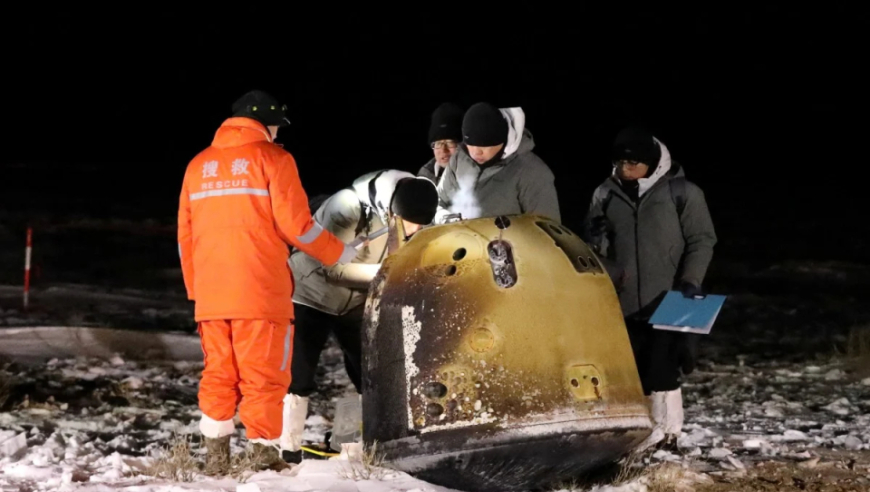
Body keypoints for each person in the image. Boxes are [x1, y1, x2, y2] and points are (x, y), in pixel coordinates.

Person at [177, 89, 357, 475]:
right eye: (277, 126)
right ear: (268, 124)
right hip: (259, 290)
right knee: (264, 374)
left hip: (211, 294)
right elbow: (298, 227)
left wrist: (197, 290)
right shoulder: (274, 159)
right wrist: (338, 252)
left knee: (218, 373)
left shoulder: (198, 165)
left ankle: (216, 459)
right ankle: (262, 456)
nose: (278, 132)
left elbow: (184, 237)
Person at [281, 170, 439, 462]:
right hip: (309, 294)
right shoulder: (347, 206)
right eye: (410, 223)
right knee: (299, 375)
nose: (414, 229)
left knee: (366, 373)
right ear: (393, 208)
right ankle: (287, 448)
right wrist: (389, 274)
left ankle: (348, 443)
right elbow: (333, 268)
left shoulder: (413, 206)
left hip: (355, 300)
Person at [583, 126, 716, 452]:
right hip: (625, 299)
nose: (624, 170)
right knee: (637, 368)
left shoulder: (682, 192)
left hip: (672, 293)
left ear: (651, 163)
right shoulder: (605, 193)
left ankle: (668, 433)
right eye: (619, 163)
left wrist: (691, 279)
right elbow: (593, 249)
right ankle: (646, 433)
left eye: (632, 163)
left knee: (664, 366)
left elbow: (702, 239)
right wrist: (594, 235)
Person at [435, 102, 561, 223]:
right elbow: (436, 203)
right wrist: (446, 218)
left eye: (485, 146)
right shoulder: (459, 160)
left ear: (502, 141)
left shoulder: (533, 172)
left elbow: (546, 231)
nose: (476, 152)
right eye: (471, 144)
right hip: (456, 241)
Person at [418, 102, 464, 186]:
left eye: (449, 142)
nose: (443, 150)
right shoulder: (425, 177)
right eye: (438, 143)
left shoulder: (477, 176)